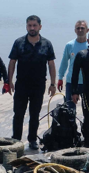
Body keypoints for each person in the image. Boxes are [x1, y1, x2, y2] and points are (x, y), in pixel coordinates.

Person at [7, 15, 57, 150]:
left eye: (35, 25)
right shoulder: (19, 42)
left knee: (34, 114)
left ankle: (32, 139)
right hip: (21, 85)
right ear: (26, 26)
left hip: (38, 85)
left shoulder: (47, 43)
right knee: (18, 113)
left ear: (40, 27)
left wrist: (53, 84)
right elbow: (12, 62)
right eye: (30, 25)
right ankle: (16, 138)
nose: (32, 28)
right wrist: (9, 81)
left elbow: (51, 64)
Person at [57, 20, 89, 102]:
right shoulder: (69, 45)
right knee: (69, 109)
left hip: (87, 82)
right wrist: (60, 77)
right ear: (75, 30)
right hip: (71, 81)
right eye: (78, 28)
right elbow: (64, 62)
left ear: (87, 30)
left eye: (82, 28)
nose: (80, 30)